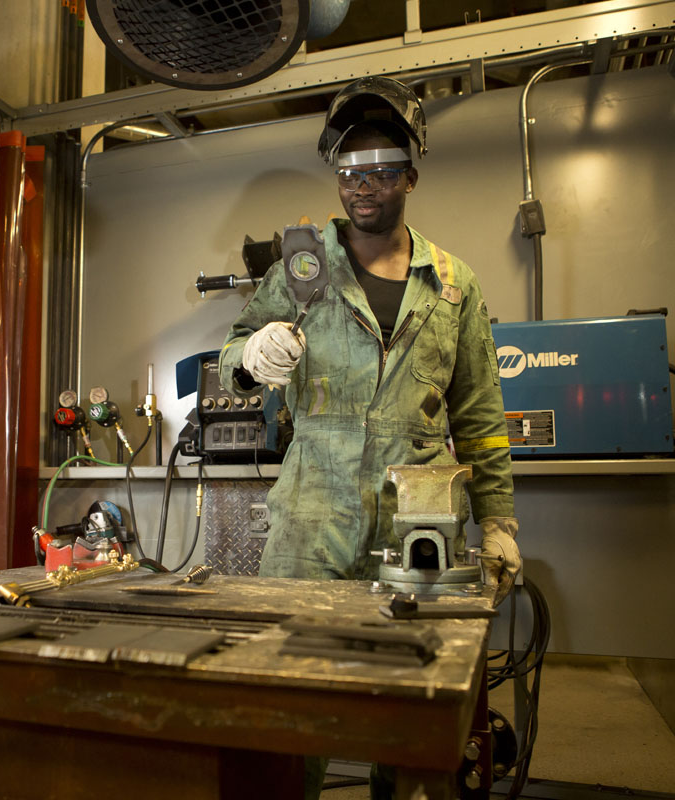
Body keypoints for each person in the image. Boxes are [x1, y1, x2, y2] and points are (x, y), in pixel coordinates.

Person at [218, 76, 522, 796]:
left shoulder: (452, 284)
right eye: (350, 172)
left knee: (411, 716)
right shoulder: (300, 271)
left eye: (382, 171)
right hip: (309, 528)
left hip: (419, 531)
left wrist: (500, 519)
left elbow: (478, 412)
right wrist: (251, 355)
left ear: (411, 175)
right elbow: (229, 355)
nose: (363, 187)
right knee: (294, 710)